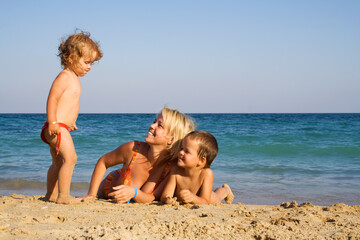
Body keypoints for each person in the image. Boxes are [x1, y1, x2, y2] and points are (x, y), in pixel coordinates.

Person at [80, 107, 195, 203]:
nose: (152, 125)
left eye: (159, 125)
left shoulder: (170, 167)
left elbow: (151, 197)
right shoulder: (133, 149)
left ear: (171, 139)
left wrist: (133, 192)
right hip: (107, 189)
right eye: (154, 121)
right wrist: (91, 194)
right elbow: (103, 162)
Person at [40, 32, 102, 204]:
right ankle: (64, 195)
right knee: (71, 159)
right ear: (72, 57)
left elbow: (67, 104)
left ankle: (50, 195)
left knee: (58, 163)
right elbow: (52, 98)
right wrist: (53, 121)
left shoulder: (73, 77)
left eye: (92, 63)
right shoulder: (65, 77)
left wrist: (70, 122)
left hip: (60, 126)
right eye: (87, 62)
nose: (89, 67)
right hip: (56, 126)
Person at [161, 130, 234, 205]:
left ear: (201, 161)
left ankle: (226, 190)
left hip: (209, 198)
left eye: (187, 151)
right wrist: (168, 199)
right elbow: (165, 195)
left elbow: (205, 201)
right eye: (182, 148)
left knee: (217, 196)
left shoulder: (206, 173)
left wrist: (192, 198)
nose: (180, 152)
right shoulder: (176, 171)